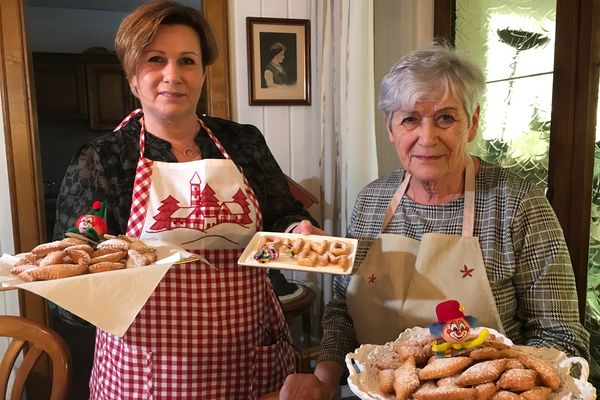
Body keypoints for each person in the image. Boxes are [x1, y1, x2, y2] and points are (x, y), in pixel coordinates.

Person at [279, 43, 590, 399]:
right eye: (410, 119)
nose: (427, 138)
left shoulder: (519, 205)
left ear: (471, 123)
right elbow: (342, 312)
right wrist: (322, 379)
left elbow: (561, 336)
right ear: (390, 127)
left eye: (445, 118)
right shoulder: (371, 202)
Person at [50, 1, 323, 398]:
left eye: (187, 61)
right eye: (155, 59)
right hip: (147, 369)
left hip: (248, 357)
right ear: (131, 76)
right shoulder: (103, 159)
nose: (172, 75)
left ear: (203, 72)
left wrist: (298, 232)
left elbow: (282, 219)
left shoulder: (243, 142)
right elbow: (73, 277)